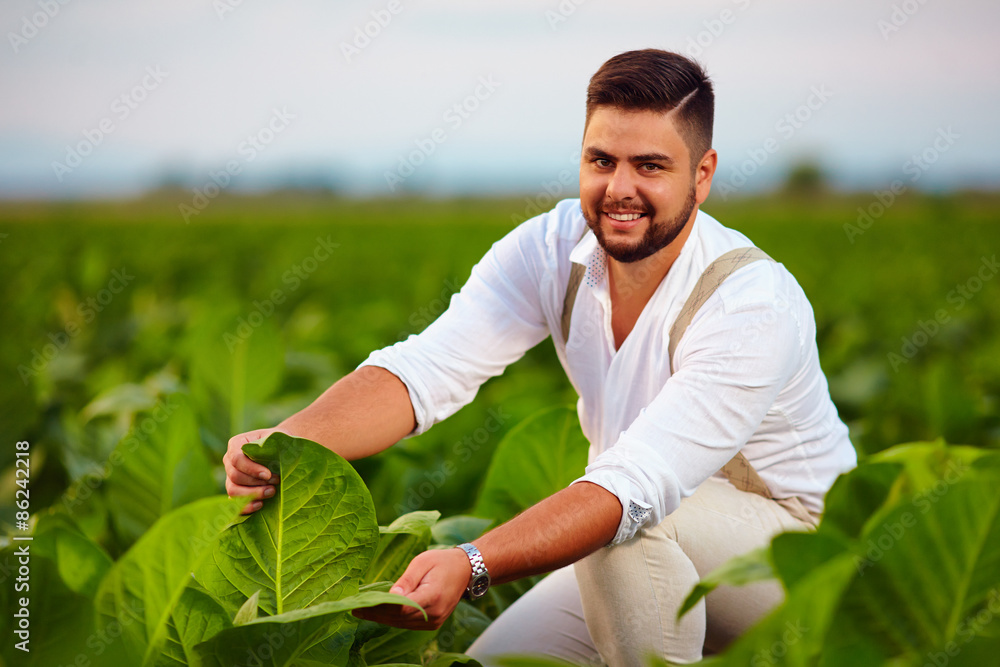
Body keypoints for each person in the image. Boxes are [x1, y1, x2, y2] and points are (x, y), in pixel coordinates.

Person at [223, 49, 857, 666]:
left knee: (626, 525)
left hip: (801, 560)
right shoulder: (552, 248)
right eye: (601, 160)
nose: (620, 189)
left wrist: (472, 564)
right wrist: (287, 444)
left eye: (651, 166)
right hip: (636, 543)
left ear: (703, 173)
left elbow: (634, 489)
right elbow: (426, 370)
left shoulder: (750, 301)